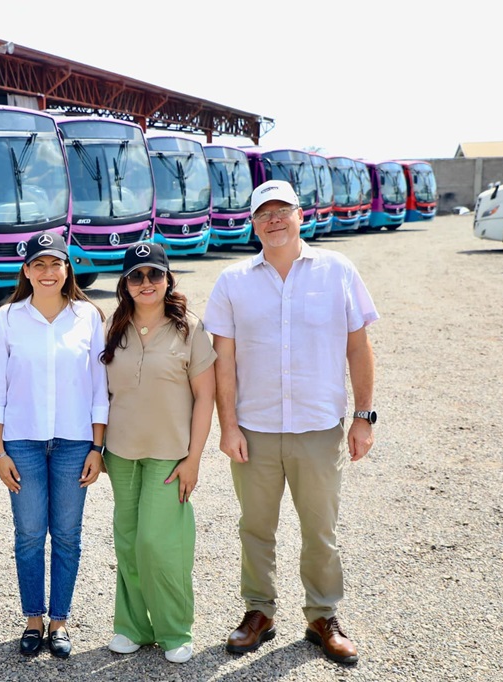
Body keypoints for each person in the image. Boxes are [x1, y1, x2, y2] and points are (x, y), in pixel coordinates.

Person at [202, 180, 378, 666]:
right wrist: (229, 426)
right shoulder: (233, 281)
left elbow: (358, 347)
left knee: (320, 530)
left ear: (302, 216)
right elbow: (224, 361)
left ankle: (323, 616)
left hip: (319, 428)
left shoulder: (337, 270)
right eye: (264, 213)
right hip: (254, 429)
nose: (274, 219)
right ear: (252, 223)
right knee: (255, 527)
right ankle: (259, 611)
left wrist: (363, 417)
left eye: (283, 210)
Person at [0, 232, 108, 659]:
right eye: (38, 264)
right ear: (26, 271)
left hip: (75, 444)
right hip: (22, 443)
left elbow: (99, 387)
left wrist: (97, 447)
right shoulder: (9, 317)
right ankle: (33, 619)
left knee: (69, 536)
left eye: (55, 264)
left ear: (67, 268)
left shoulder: (88, 317)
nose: (47, 272)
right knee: (30, 534)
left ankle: (60, 621)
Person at [99, 242, 217, 664]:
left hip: (171, 456)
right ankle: (132, 626)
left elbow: (206, 398)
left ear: (168, 280)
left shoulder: (190, 329)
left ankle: (174, 629)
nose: (146, 282)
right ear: (125, 283)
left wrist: (194, 459)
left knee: (161, 544)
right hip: (121, 454)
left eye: (154, 274)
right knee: (128, 543)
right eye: (136, 275)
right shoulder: (113, 326)